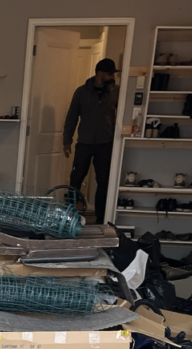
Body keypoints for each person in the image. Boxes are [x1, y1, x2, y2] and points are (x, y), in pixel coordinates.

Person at [63, 58, 119, 224]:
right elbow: (72, 117)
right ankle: (70, 215)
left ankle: (101, 218)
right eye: (109, 74)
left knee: (104, 181)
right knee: (76, 178)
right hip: (84, 143)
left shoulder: (116, 92)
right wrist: (67, 141)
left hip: (106, 144)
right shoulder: (81, 92)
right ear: (100, 73)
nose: (112, 77)